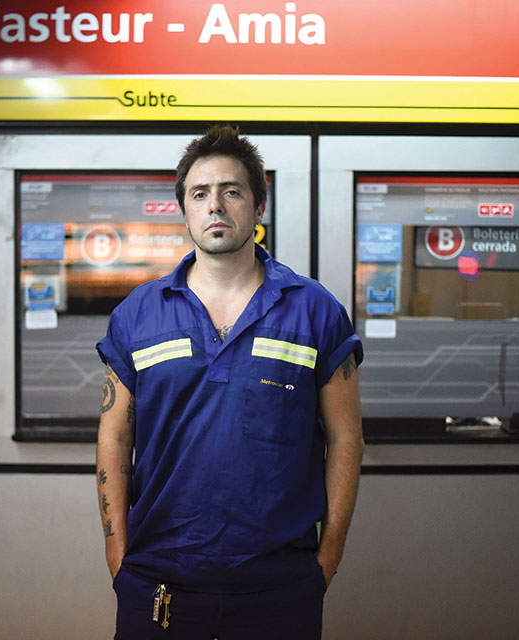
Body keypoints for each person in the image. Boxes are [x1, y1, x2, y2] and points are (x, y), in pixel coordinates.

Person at [96, 124, 363, 640]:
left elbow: (346, 439)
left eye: (232, 191)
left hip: (280, 588)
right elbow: (115, 437)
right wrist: (118, 558)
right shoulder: (138, 314)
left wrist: (325, 561)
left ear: (258, 207)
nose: (215, 205)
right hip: (158, 584)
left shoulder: (315, 311)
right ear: (185, 210)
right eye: (200, 194)